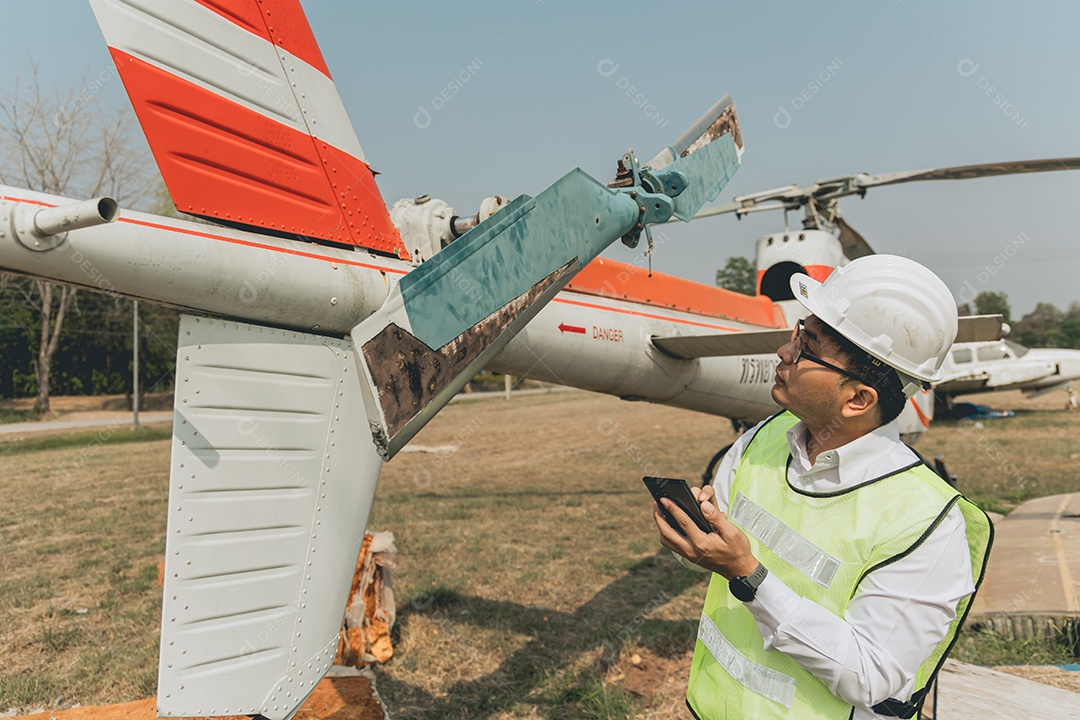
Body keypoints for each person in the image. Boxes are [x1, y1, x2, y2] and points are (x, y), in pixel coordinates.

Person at [654, 255, 992, 720]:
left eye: (807, 347)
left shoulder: (926, 522)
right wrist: (691, 537)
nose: (784, 353)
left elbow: (871, 676)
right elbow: (718, 550)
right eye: (798, 331)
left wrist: (748, 577)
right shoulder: (764, 438)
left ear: (858, 398)